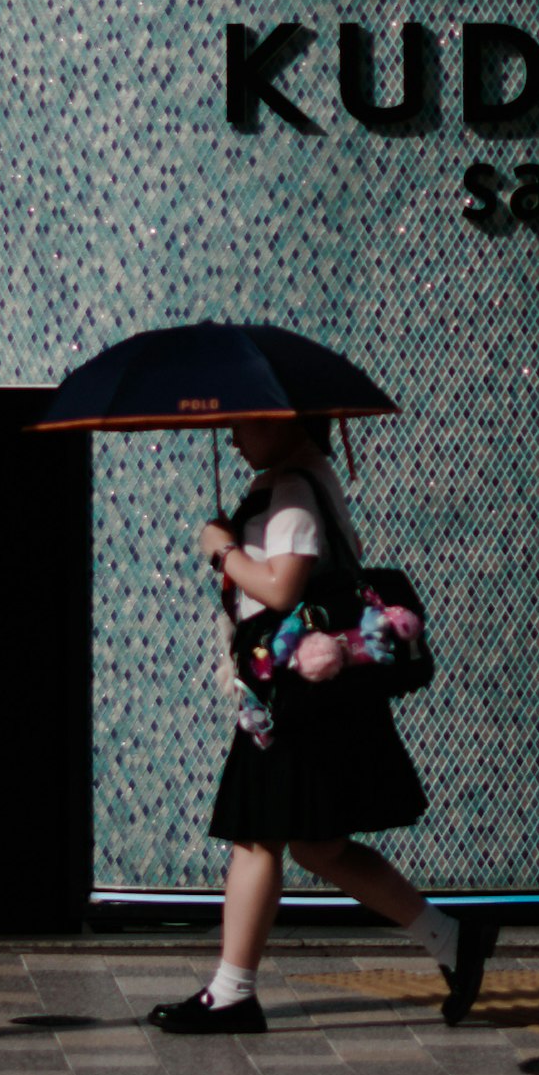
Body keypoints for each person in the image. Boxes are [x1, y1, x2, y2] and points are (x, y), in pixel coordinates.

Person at [148, 411, 498, 1035]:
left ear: (283, 422)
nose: (230, 437)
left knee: (260, 836)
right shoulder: (300, 480)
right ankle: (452, 939)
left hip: (294, 698)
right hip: (311, 694)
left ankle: (232, 993)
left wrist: (223, 549)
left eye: (242, 424)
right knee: (317, 844)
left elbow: (283, 590)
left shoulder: (293, 488)